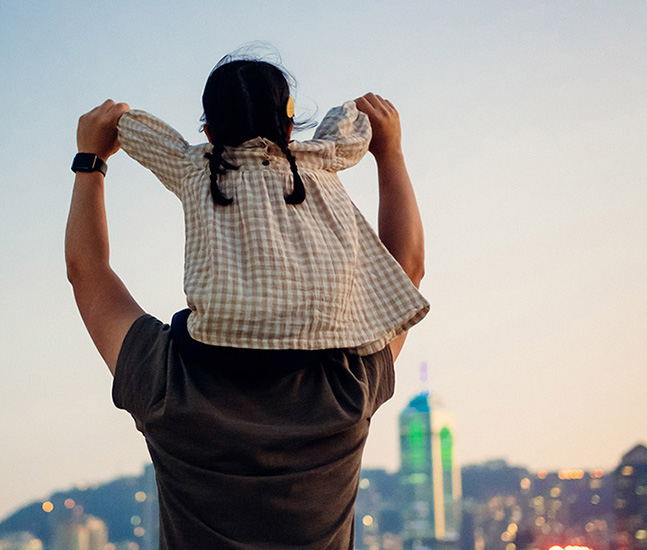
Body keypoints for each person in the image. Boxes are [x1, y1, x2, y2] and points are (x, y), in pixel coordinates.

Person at [64, 56, 427, 548]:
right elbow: (406, 272)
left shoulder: (167, 381)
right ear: (293, 125)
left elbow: (87, 273)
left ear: (209, 133)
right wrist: (391, 153)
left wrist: (92, 160)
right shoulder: (347, 384)